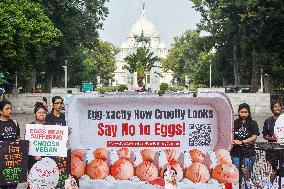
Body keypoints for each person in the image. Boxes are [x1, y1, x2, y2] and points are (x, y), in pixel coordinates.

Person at [230, 103, 260, 173]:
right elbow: (229, 135)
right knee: (236, 174)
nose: (243, 114)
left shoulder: (253, 123)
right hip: (235, 153)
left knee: (247, 174)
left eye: (246, 112)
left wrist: (242, 142)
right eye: (242, 112)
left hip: (249, 153)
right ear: (238, 112)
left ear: (249, 113)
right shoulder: (234, 123)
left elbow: (254, 137)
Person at [0, 100, 20, 189]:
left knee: (13, 184)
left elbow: (18, 138)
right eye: (7, 109)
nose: (10, 111)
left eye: (11, 109)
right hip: (1, 159)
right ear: (0, 111)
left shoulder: (14, 123)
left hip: (13, 159)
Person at [27, 102, 48, 189]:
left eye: (43, 113)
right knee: (33, 181)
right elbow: (27, 144)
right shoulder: (30, 127)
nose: (41, 114)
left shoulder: (49, 127)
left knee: (45, 180)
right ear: (35, 114)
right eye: (39, 113)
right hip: (33, 159)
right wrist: (34, 156)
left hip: (46, 158)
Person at [262, 101, 283, 170]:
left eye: (278, 106)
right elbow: (264, 135)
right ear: (272, 109)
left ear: (281, 108)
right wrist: (271, 138)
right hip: (271, 150)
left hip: (283, 149)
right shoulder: (268, 121)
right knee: (272, 170)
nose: (277, 108)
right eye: (275, 107)